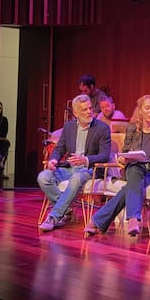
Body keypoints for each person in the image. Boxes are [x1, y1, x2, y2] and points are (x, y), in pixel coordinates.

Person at [84, 94, 150, 237]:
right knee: (135, 168)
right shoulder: (132, 128)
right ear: (140, 110)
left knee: (130, 187)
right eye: (147, 108)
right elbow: (125, 152)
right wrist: (123, 159)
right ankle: (133, 219)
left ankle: (98, 220)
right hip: (135, 168)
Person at [37, 94, 111, 231]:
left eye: (90, 108)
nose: (89, 112)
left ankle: (54, 216)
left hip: (90, 169)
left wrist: (86, 160)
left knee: (76, 178)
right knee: (43, 177)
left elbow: (104, 155)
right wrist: (53, 159)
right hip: (69, 168)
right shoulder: (69, 127)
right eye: (84, 110)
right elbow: (59, 148)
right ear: (76, 113)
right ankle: (65, 210)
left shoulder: (102, 128)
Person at [0, 101, 10, 179]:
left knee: (6, 143)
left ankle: (0, 164)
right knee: (5, 143)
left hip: (1, 141)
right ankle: (0, 165)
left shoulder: (4, 120)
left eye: (0, 108)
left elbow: (4, 133)